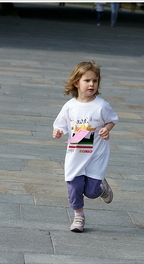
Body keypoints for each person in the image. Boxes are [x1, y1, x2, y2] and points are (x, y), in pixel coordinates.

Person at [53, 61, 118, 233]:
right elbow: (60, 124)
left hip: (96, 155)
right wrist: (58, 131)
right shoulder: (70, 106)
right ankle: (78, 216)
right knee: (74, 187)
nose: (91, 84)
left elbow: (112, 120)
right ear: (76, 83)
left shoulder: (101, 105)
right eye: (87, 80)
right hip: (75, 155)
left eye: (95, 81)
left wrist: (106, 129)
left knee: (91, 191)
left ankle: (101, 188)